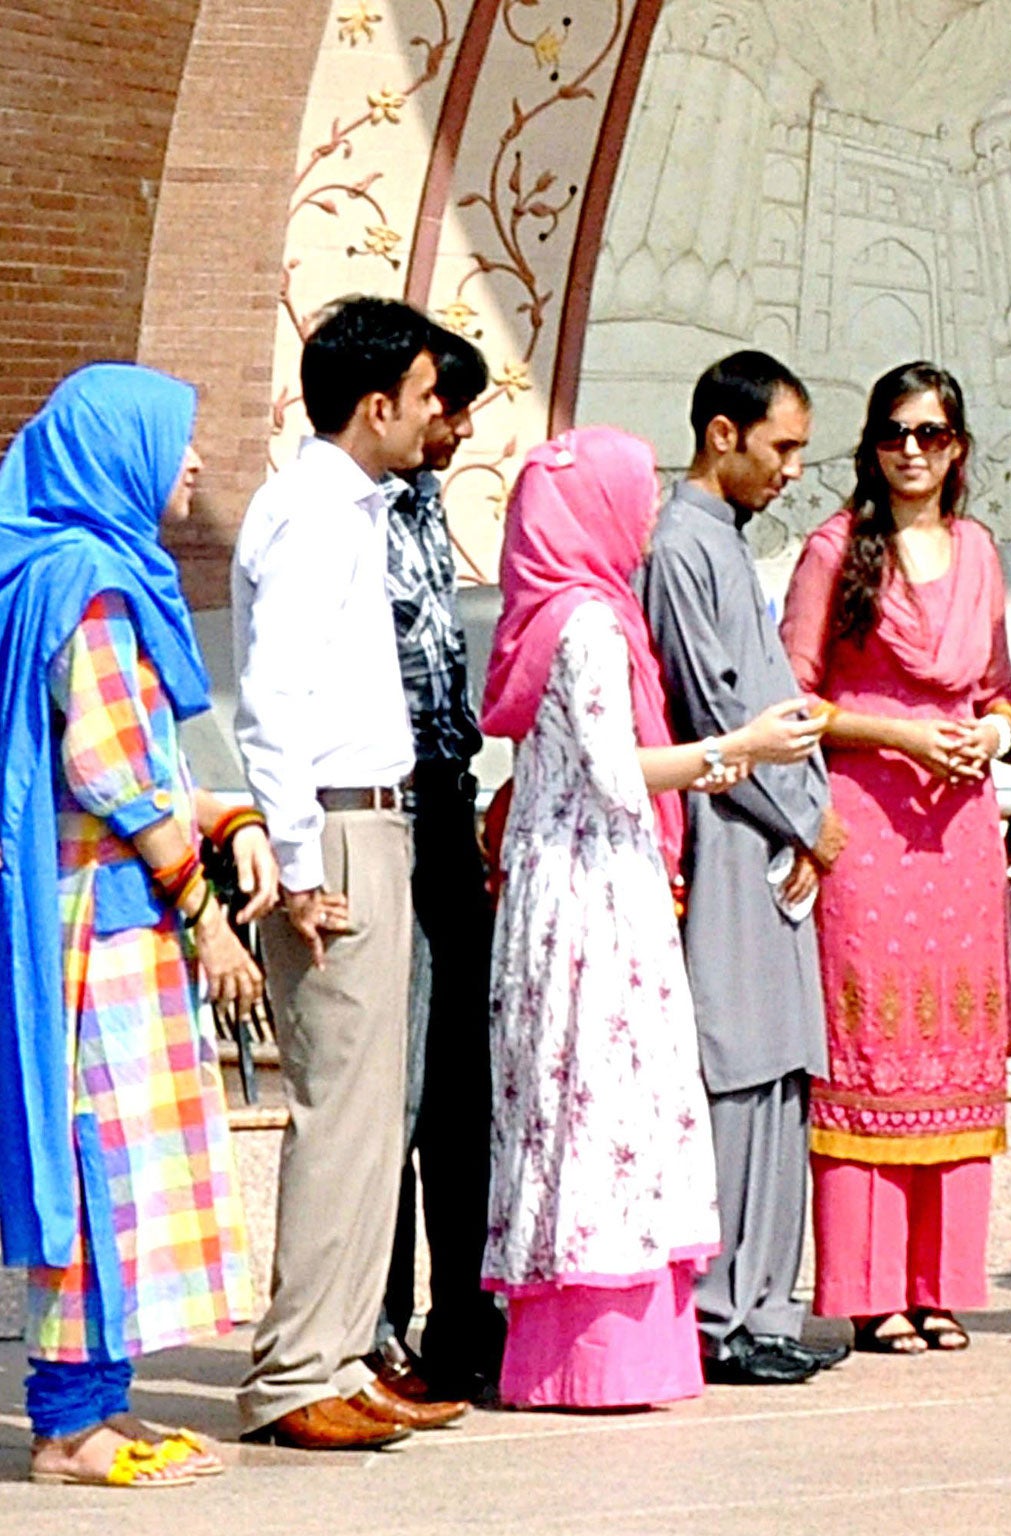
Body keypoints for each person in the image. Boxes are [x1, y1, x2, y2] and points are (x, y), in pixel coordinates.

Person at [478, 426, 824, 1409]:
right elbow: (612, 766)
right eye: (631, 494)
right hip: (591, 894)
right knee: (603, 1102)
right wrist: (744, 747)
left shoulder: (560, 612)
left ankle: (597, 1346)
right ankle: (597, 1355)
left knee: (587, 1102)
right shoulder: (585, 624)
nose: (643, 514)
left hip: (585, 883)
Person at [0, 365, 273, 1487]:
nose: (195, 462)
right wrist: (205, 910)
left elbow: (135, 769)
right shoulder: (92, 585)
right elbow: (112, 770)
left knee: (103, 1154)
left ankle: (97, 1407)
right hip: (103, 931)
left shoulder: (56, 569)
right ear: (117, 455)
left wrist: (231, 812)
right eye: (175, 442)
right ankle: (69, 1426)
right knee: (100, 1161)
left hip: (95, 909)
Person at [234, 296, 467, 1448]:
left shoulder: (354, 511)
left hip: (370, 821)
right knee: (339, 1109)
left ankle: (338, 1353)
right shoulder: (313, 516)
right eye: (426, 397)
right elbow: (271, 702)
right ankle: (292, 1375)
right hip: (328, 828)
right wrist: (290, 863)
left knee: (378, 1112)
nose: (436, 417)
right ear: (374, 404)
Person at [781, 362, 1011, 1356]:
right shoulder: (833, 551)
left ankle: (941, 1286)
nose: (911, 450)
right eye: (893, 433)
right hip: (869, 828)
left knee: (953, 1053)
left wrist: (991, 736)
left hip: (960, 833)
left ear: (957, 446)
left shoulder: (977, 550)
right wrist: (902, 737)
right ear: (871, 444)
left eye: (930, 433)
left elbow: (1003, 689)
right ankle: (869, 1289)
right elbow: (792, 702)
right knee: (870, 1055)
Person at [640, 351, 850, 1387]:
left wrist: (807, 822)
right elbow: (718, 709)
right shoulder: (680, 543)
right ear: (721, 434)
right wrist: (803, 817)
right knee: (734, 1069)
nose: (790, 470)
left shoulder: (722, 540)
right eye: (780, 446)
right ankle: (720, 1310)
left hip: (773, 834)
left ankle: (765, 1299)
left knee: (778, 1071)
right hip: (732, 829)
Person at [371, 322, 505, 1404]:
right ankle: (372, 1325)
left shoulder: (420, 505)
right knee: (395, 1081)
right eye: (443, 408)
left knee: (460, 1084)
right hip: (390, 803)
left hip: (446, 804)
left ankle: (460, 1314)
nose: (453, 431)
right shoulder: (343, 515)